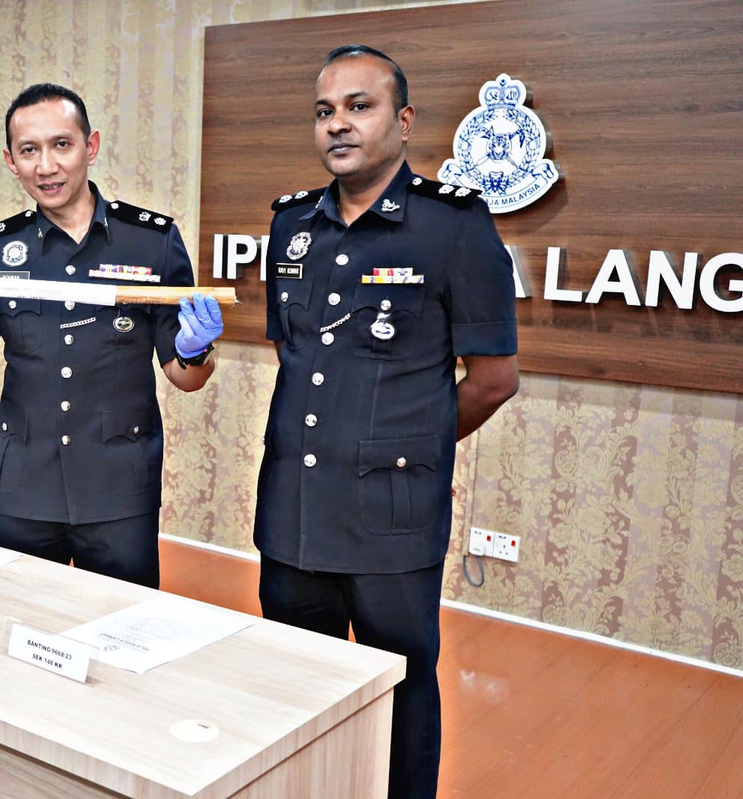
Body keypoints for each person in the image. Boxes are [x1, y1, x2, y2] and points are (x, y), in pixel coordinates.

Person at [254, 46, 519, 798]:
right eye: (324, 110)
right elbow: (296, 353)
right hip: (293, 513)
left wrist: (408, 445)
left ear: (402, 122)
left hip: (391, 522)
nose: (338, 124)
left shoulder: (452, 228)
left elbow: (495, 379)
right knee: (296, 689)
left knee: (401, 693)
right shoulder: (292, 228)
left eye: (359, 106)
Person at [0, 83, 223, 589]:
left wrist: (195, 349)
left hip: (118, 486)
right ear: (11, 161)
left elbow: (186, 377)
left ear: (89, 146)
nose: (46, 166)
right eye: (29, 150)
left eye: (61, 145)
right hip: (23, 484)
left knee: (120, 634)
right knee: (21, 628)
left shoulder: (151, 242)